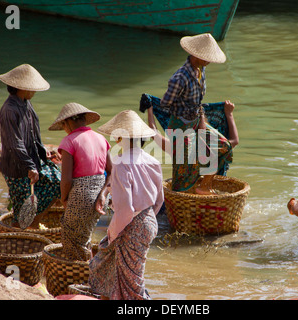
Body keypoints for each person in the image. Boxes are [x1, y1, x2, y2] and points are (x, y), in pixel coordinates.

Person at [88, 110, 164, 300]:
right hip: (148, 221)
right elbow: (159, 200)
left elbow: (125, 211)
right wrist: (147, 218)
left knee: (131, 283)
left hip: (132, 225)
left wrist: (112, 233)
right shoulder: (153, 161)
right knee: (134, 278)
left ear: (121, 137)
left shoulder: (121, 164)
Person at [160, 33, 234, 195]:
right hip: (180, 125)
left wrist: (200, 120)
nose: (208, 61)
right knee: (185, 168)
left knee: (224, 146)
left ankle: (204, 186)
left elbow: (198, 102)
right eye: (205, 57)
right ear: (195, 55)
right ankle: (182, 199)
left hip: (196, 120)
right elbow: (165, 103)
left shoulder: (201, 70)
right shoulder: (179, 78)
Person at [0, 64, 61, 229]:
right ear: (22, 88)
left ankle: (32, 222)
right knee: (22, 208)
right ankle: (22, 230)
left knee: (56, 182)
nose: (34, 92)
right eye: (32, 88)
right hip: (17, 168)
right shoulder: (9, 109)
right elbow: (14, 143)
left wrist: (43, 151)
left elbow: (33, 132)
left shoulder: (26, 103)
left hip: (31, 161)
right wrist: (30, 166)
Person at [49, 102, 112, 261]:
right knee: (84, 238)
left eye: (63, 125)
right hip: (100, 195)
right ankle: (90, 272)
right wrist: (103, 194)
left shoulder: (69, 141)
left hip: (81, 196)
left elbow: (66, 179)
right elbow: (111, 172)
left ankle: (83, 276)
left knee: (72, 239)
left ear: (68, 122)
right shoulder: (101, 138)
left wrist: (64, 198)